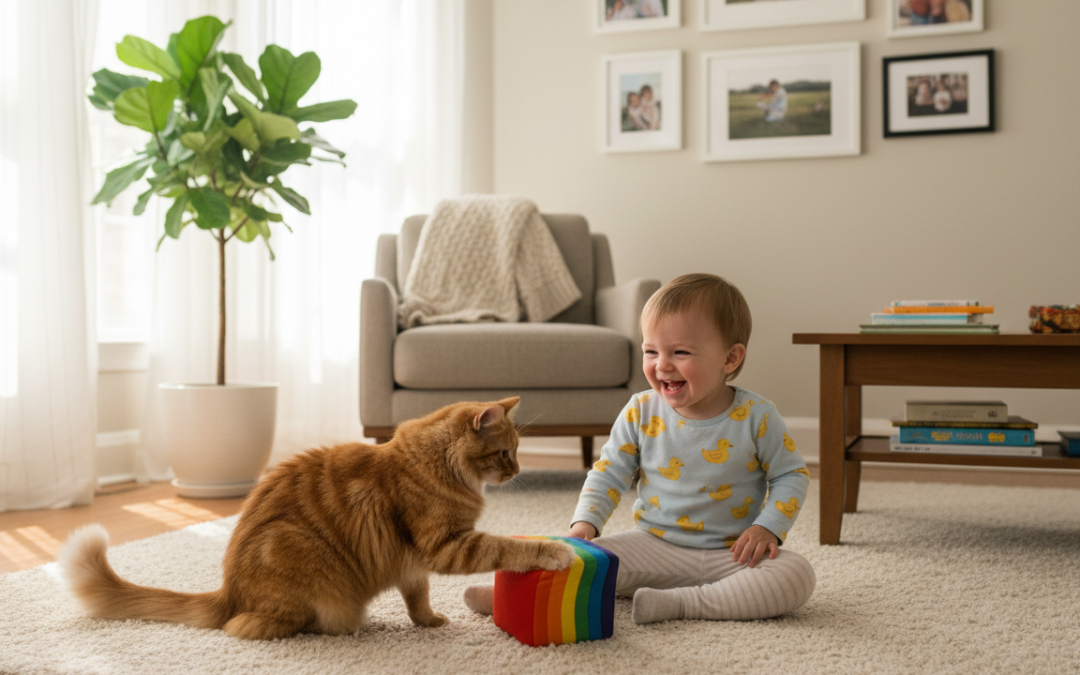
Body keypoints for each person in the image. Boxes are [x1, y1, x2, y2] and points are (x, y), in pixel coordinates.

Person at [463, 273, 816, 625]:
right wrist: (585, 524)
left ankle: (682, 604)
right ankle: (509, 595)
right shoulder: (640, 410)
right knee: (575, 555)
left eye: (680, 352)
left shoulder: (758, 416)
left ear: (730, 359)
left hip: (734, 553)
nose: (661, 365)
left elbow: (791, 475)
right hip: (653, 547)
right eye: (651, 351)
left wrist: (767, 528)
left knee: (796, 575)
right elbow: (609, 471)